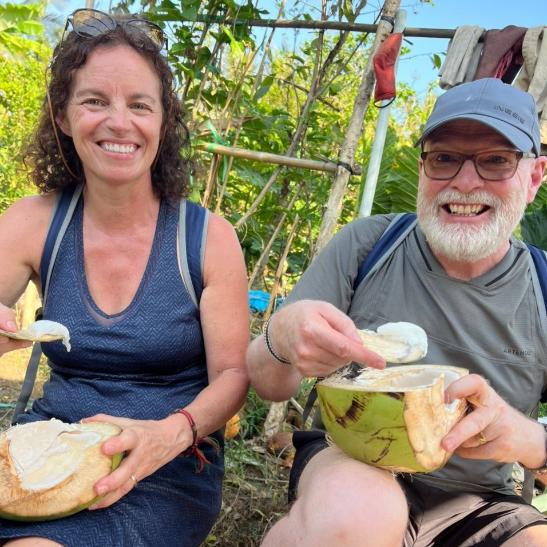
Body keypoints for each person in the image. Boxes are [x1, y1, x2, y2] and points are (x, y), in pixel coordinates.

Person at [246, 77, 547, 546]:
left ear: (533, 178)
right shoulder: (369, 246)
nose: (465, 182)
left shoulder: (543, 289)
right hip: (351, 461)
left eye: (495, 161)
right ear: (424, 169)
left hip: (478, 498)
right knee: (358, 515)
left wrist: (527, 439)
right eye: (444, 158)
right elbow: (268, 382)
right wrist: (282, 338)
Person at [0, 9, 249, 547]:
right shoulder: (30, 222)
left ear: (163, 122)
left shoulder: (206, 238)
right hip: (45, 447)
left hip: (162, 465)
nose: (119, 122)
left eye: (140, 105)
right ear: (64, 117)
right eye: (95, 101)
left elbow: (233, 376)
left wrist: (172, 433)